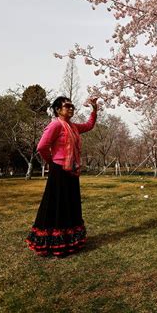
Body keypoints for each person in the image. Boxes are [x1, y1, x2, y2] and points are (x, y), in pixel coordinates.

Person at [26, 96, 98, 256]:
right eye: (67, 106)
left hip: (71, 170)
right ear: (58, 109)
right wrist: (52, 163)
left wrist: (94, 110)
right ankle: (53, 243)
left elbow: (88, 125)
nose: (71, 109)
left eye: (72, 106)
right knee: (57, 205)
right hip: (59, 171)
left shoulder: (72, 126)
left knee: (70, 204)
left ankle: (70, 240)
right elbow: (42, 146)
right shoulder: (55, 125)